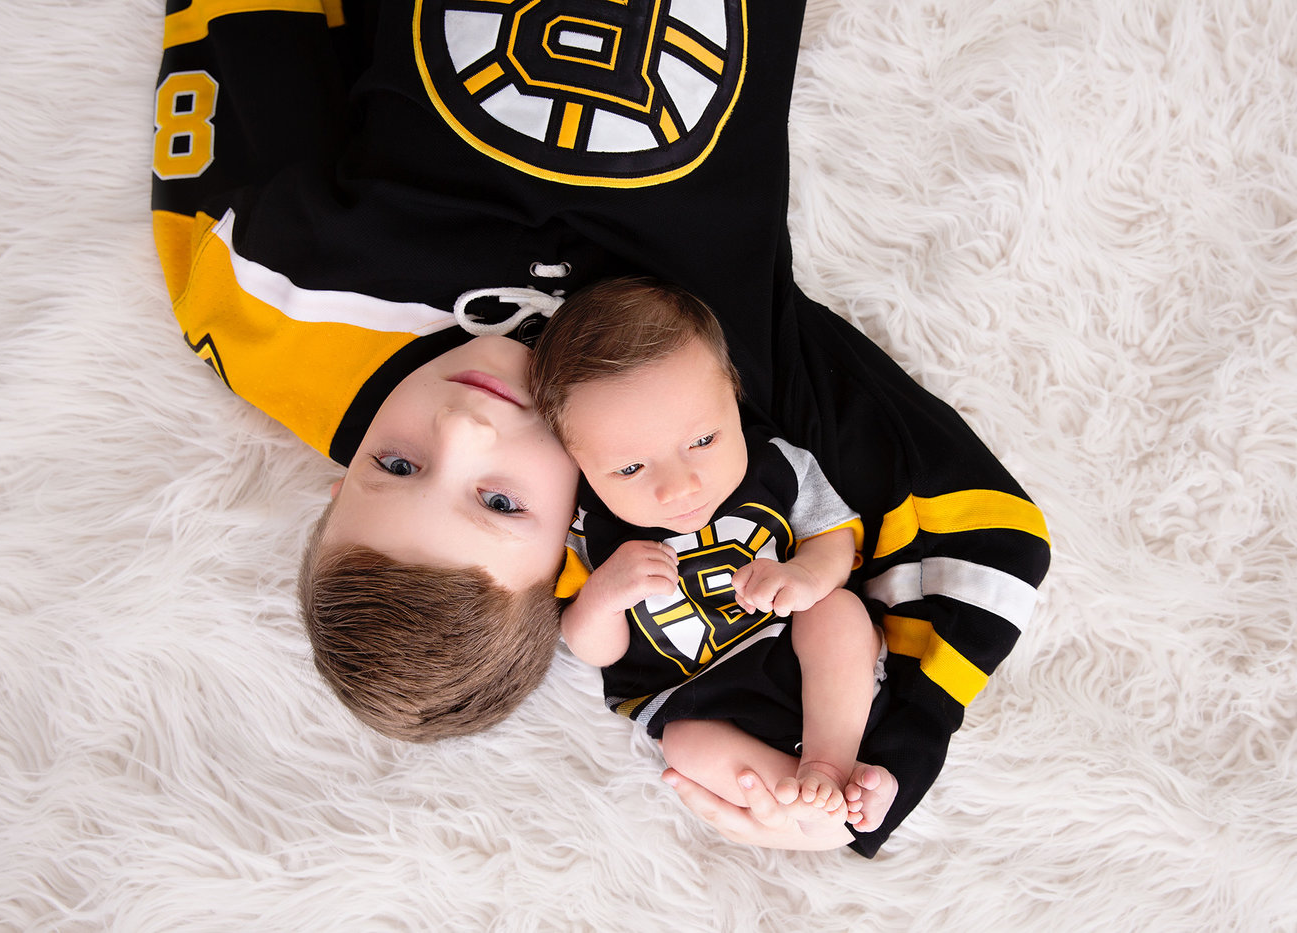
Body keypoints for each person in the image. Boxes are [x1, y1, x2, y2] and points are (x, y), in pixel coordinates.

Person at [150, 0, 1051, 856]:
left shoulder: (273, 309)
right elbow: (985, 537)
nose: (464, 424)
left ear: (337, 483)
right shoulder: (705, 398)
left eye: (394, 464)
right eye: (499, 503)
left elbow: (252, 41)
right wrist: (863, 781)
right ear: (568, 552)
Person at [531, 277, 898, 830]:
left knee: (837, 611)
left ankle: (829, 764)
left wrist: (804, 576)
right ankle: (817, 794)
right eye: (629, 468)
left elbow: (834, 538)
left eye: (703, 441)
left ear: (734, 395)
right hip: (700, 698)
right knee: (682, 745)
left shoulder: (777, 468)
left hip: (815, 670)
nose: (680, 487)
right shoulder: (589, 530)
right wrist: (603, 597)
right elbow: (595, 649)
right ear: (577, 463)